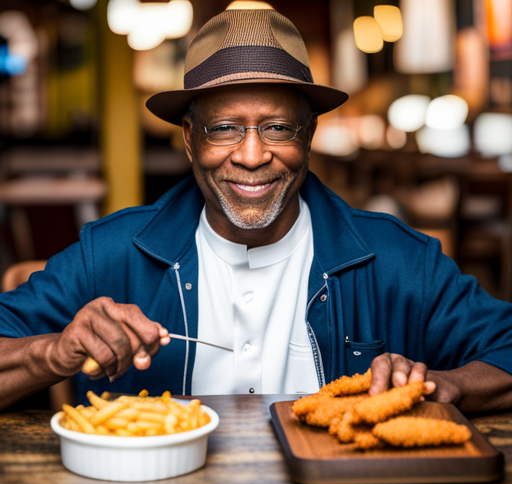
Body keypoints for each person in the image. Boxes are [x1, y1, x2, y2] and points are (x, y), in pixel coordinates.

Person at [0, 8, 511, 412]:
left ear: (308, 135)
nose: (250, 156)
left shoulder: (400, 260)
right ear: (189, 139)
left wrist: (449, 387)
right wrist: (50, 352)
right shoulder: (109, 255)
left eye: (278, 128)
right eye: (223, 128)